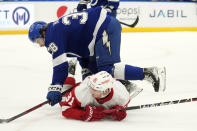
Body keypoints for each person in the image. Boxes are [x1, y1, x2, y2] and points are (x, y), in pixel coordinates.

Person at [28, 7, 166, 107]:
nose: (40, 45)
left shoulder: (51, 36)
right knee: (97, 75)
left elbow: (60, 67)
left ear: (41, 33)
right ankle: (126, 86)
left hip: (104, 28)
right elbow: (82, 51)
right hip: (100, 31)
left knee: (106, 70)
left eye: (36, 41)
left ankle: (149, 73)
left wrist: (55, 87)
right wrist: (87, 70)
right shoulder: (57, 29)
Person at [60, 71, 130, 121]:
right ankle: (70, 73)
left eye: (94, 89)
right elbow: (65, 108)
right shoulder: (83, 91)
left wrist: (117, 111)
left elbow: (121, 109)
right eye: (91, 88)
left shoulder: (122, 96)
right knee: (62, 98)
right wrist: (84, 114)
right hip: (86, 83)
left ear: (105, 91)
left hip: (109, 84)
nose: (91, 91)